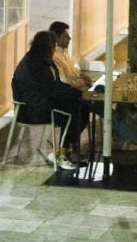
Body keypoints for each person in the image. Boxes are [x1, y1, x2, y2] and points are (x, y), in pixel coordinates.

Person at [11, 30, 88, 169]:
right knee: (73, 112)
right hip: (33, 110)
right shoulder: (32, 65)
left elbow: (56, 85)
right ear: (45, 48)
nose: (54, 49)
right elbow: (51, 89)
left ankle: (69, 149)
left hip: (45, 102)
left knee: (83, 107)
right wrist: (75, 95)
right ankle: (61, 154)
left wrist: (76, 93)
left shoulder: (43, 61)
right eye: (53, 46)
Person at [48, 21, 93, 91]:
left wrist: (81, 75)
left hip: (78, 88)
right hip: (69, 93)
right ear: (57, 38)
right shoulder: (54, 57)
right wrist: (83, 82)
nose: (69, 38)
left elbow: (72, 71)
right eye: (65, 36)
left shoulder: (64, 52)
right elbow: (63, 81)